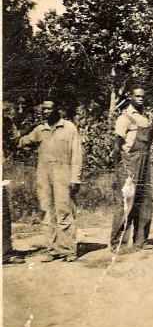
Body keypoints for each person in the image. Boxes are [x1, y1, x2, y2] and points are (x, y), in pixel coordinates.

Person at [17, 98, 82, 262]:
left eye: (49, 109)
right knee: (47, 210)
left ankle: (69, 250)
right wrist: (30, 128)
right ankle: (52, 249)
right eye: (43, 109)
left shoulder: (69, 128)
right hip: (44, 173)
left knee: (64, 210)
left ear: (57, 109)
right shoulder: (40, 129)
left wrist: (75, 178)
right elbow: (20, 143)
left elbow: (77, 155)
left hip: (63, 172)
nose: (45, 112)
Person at [110, 86, 153, 252]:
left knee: (145, 201)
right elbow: (117, 145)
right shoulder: (124, 118)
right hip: (130, 163)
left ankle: (140, 241)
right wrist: (118, 169)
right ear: (130, 97)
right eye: (137, 96)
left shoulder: (148, 117)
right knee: (126, 202)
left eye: (143, 96)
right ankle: (117, 243)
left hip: (145, 162)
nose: (141, 98)